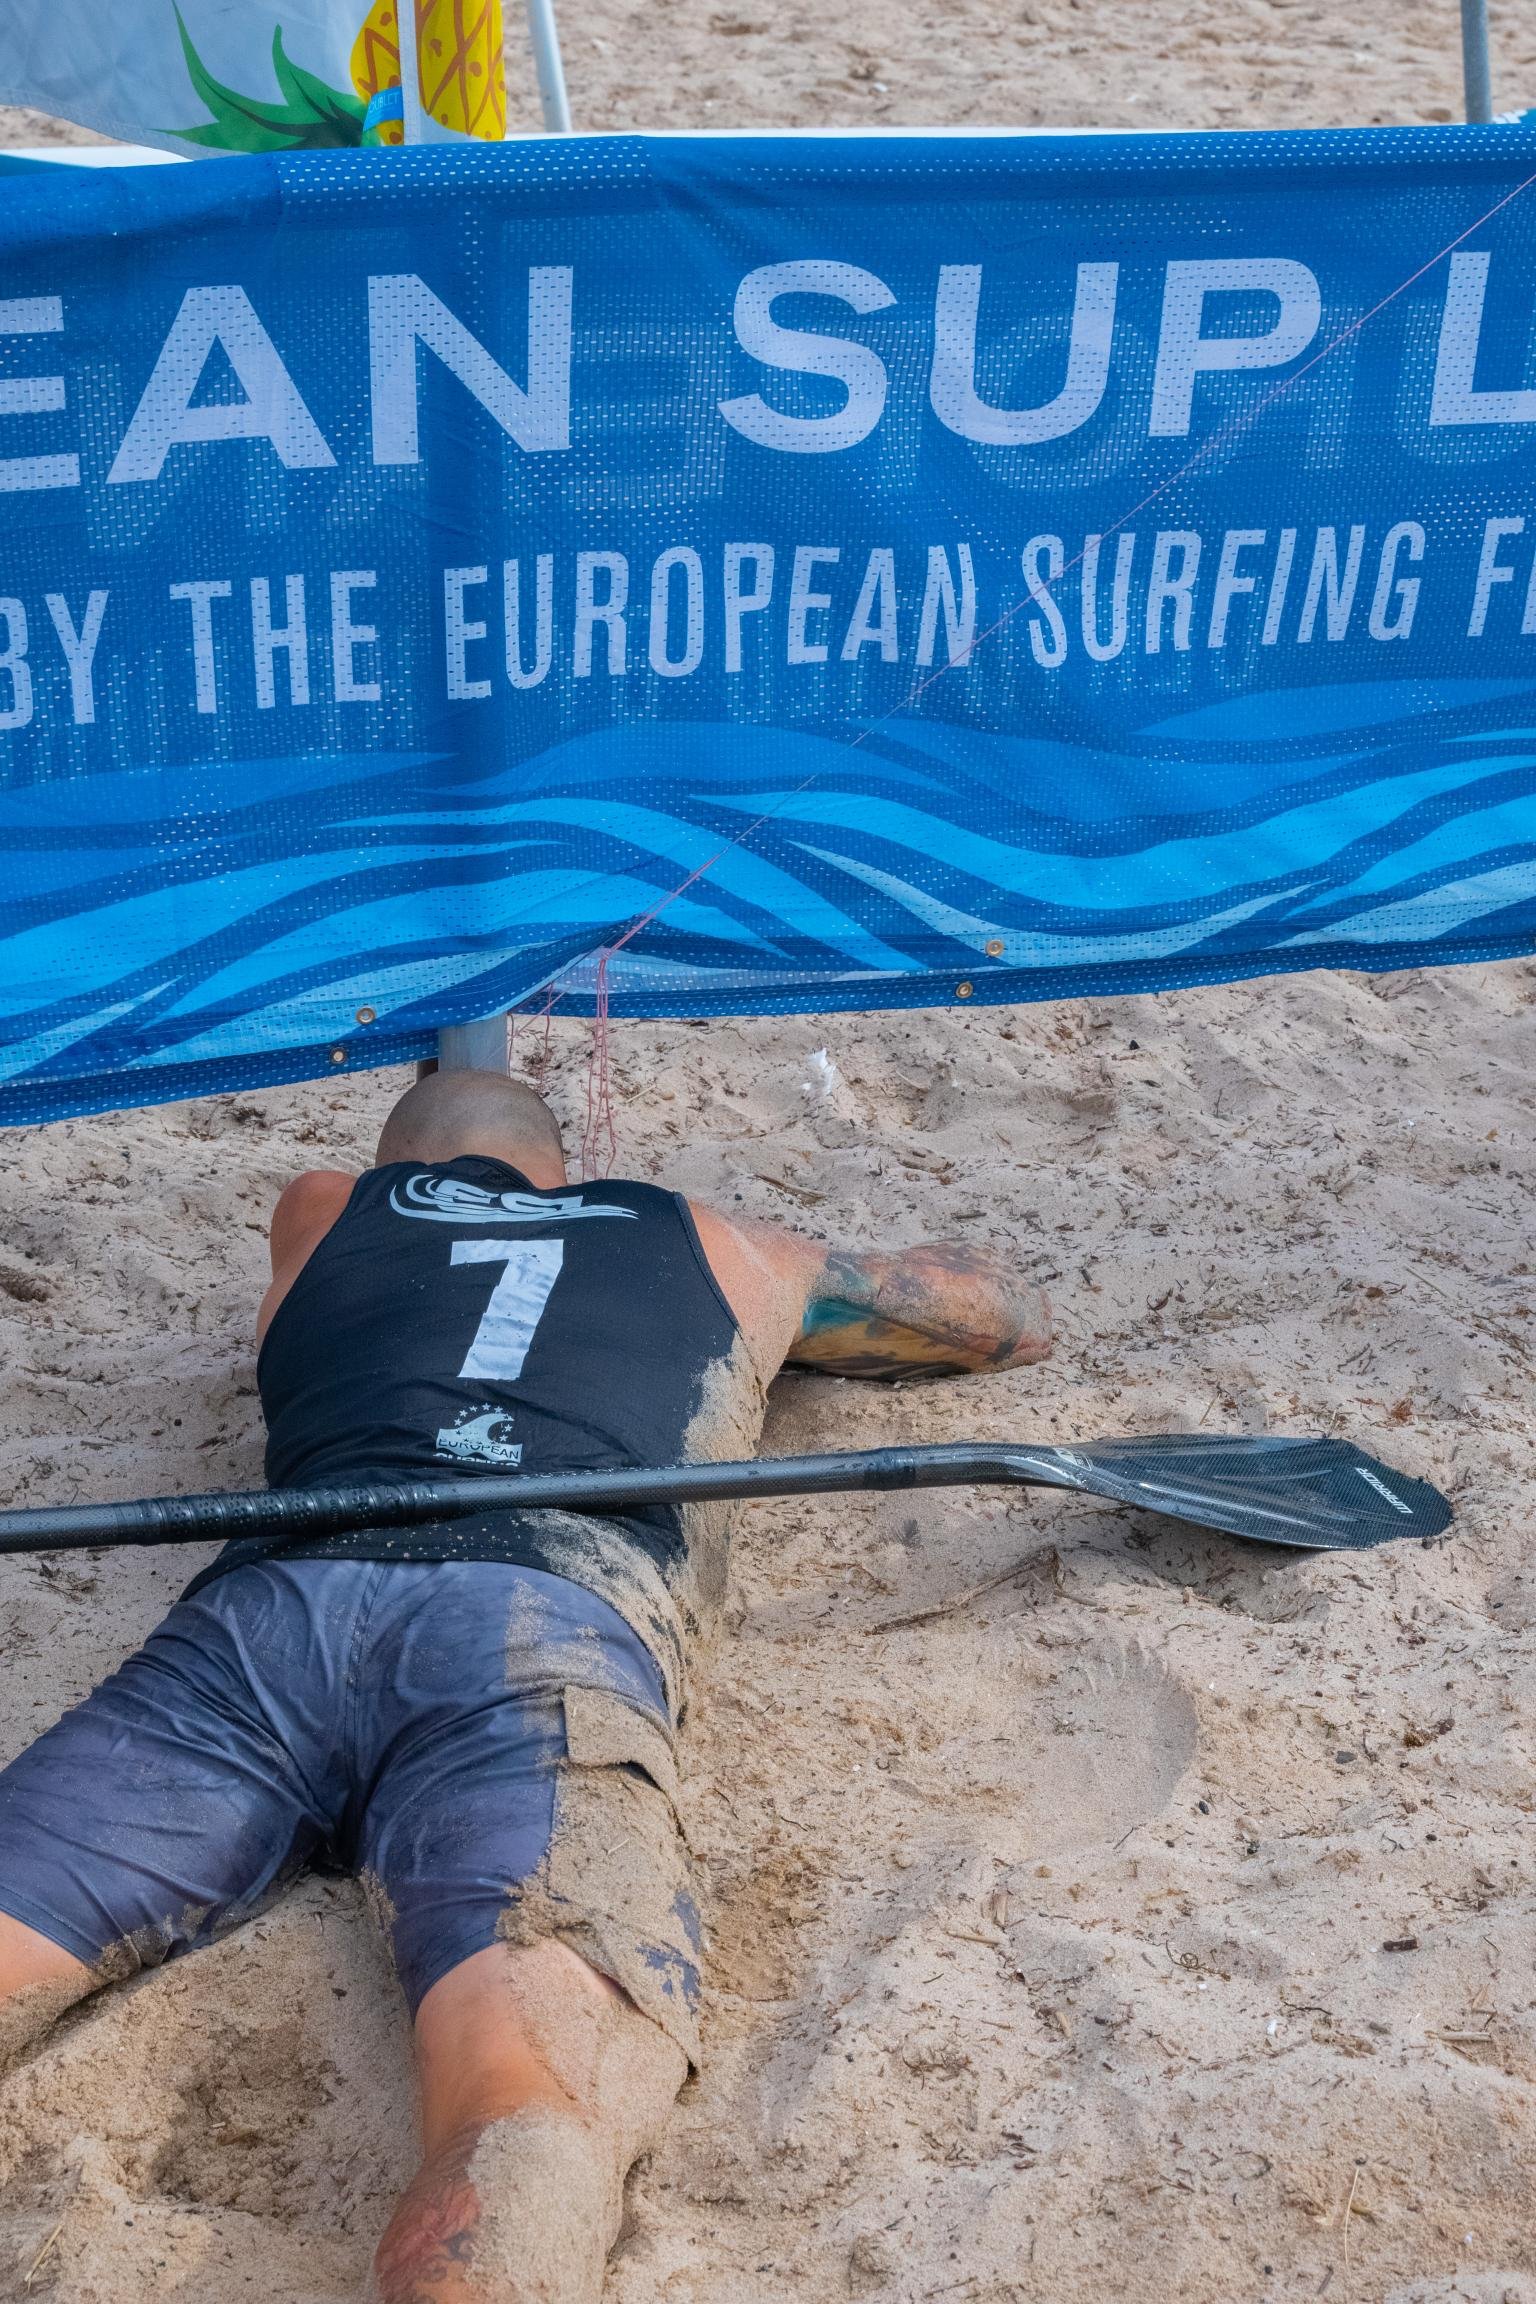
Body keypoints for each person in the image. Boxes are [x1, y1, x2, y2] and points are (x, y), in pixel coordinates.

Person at [0, 1067, 1052, 2302]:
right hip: (539, 1624)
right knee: (521, 2106)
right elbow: (994, 1319)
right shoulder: (726, 1243)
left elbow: (396, 1220)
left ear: (401, 1165)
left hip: (271, 1614)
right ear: (562, 1165)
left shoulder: (324, 1208)